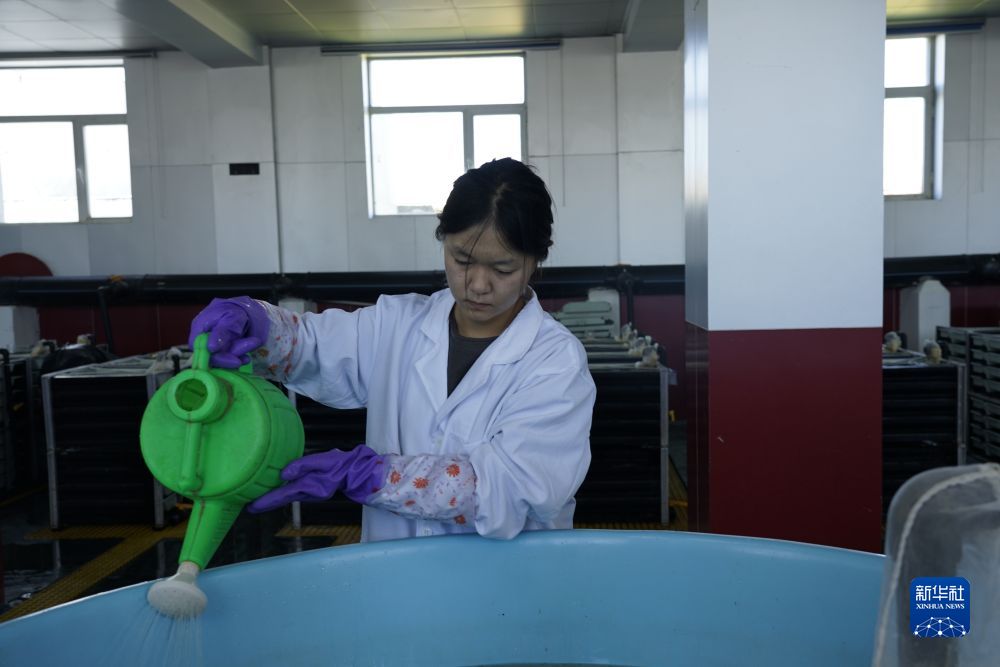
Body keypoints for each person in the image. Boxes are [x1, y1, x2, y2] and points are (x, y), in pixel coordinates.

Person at [189, 158, 595, 542]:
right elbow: (308, 345)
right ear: (443, 239)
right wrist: (258, 324)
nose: (478, 285)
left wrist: (377, 477)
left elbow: (510, 489)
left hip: (504, 585)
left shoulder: (555, 362)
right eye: (461, 260)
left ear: (536, 259)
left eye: (502, 269)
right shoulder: (397, 325)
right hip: (392, 577)